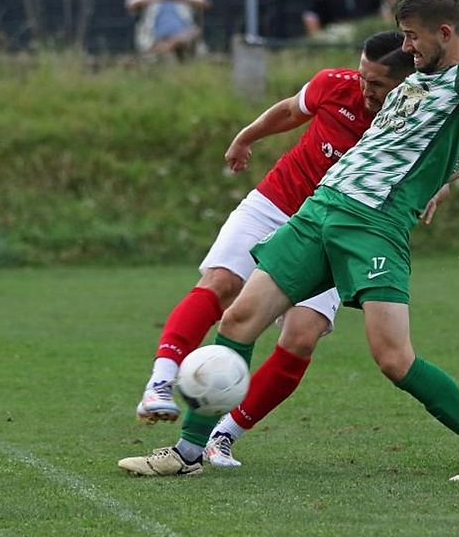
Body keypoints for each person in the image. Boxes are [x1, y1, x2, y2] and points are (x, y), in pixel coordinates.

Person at [120, 0, 459, 483]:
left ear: (446, 31)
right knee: (238, 319)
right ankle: (189, 452)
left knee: (393, 357)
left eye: (413, 37)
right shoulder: (409, 84)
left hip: (374, 224)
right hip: (319, 210)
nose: (407, 47)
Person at [117, 31, 417, 476]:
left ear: (404, 82)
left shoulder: (416, 113)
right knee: (221, 285)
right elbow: (289, 110)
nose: (364, 89)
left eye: (376, 84)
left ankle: (222, 436)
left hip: (332, 228)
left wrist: (438, 186)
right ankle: (160, 383)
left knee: (302, 334)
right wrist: (245, 136)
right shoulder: (335, 84)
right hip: (276, 203)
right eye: (362, 76)